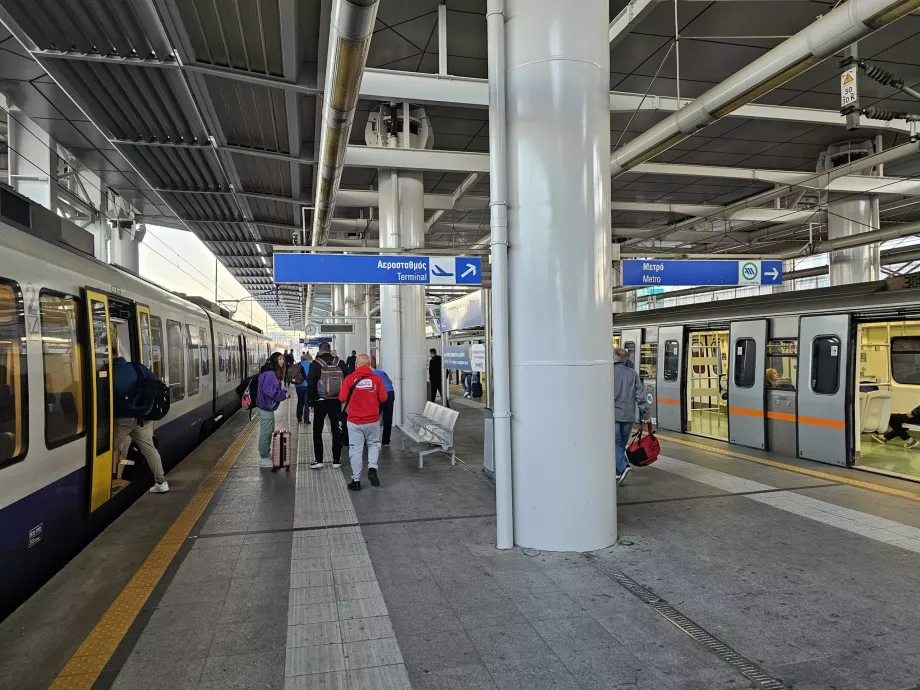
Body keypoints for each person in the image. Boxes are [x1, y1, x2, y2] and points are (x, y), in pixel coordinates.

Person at [111, 340, 169, 493]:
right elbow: (157, 384)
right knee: (149, 449)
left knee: (107, 449)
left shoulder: (108, 373)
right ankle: (161, 482)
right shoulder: (137, 367)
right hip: (143, 418)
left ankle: (105, 481)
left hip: (122, 419)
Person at [340, 355, 388, 491]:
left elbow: (342, 398)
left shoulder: (349, 379)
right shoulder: (377, 379)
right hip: (372, 420)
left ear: (356, 364)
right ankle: (372, 468)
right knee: (373, 444)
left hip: (355, 421)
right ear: (369, 365)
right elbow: (383, 397)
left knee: (356, 449)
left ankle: (356, 481)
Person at [307, 342, 348, 469]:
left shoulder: (315, 364)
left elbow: (311, 384)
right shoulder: (339, 362)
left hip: (320, 401)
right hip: (336, 401)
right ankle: (336, 460)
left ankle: (319, 460)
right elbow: (348, 377)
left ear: (319, 351)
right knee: (336, 429)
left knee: (317, 430)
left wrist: (310, 402)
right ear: (330, 351)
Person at [613, 347, 649, 486]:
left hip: (613, 415)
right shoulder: (632, 374)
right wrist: (645, 415)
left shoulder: (607, 373)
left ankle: (623, 467)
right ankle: (617, 471)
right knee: (620, 444)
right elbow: (640, 396)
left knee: (614, 444)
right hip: (628, 416)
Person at [256, 352, 288, 468]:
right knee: (266, 433)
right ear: (275, 360)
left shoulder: (269, 371)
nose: (282, 361)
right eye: (280, 359)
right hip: (265, 407)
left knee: (269, 431)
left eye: (283, 359)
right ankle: (264, 458)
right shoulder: (270, 374)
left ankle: (266, 455)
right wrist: (283, 394)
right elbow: (270, 391)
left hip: (265, 406)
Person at [372, 365, 395, 445]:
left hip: (381, 394)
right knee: (388, 418)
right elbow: (390, 382)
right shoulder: (381, 372)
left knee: (374, 417)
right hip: (390, 393)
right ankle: (386, 441)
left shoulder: (369, 374)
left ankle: (373, 439)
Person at [294, 352, 313, 425]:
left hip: (298, 386)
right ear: (308, 359)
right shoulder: (310, 365)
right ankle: (306, 419)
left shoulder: (297, 365)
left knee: (300, 402)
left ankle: (299, 418)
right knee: (306, 403)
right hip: (307, 386)